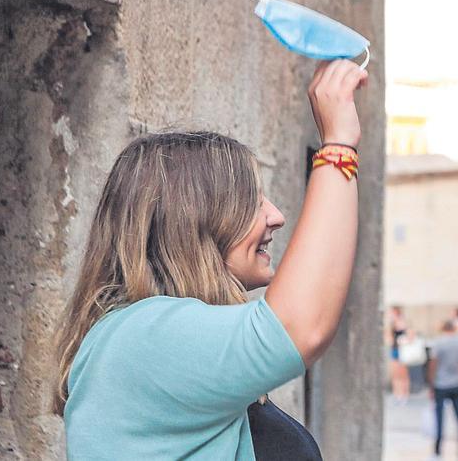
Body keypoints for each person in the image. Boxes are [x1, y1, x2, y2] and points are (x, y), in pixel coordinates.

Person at [55, 59, 369, 460]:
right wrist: (338, 145)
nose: (276, 215)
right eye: (252, 201)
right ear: (194, 221)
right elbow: (301, 327)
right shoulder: (142, 337)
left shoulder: (156, 338)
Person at [427, 319, 458, 458]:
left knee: (440, 418)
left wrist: (431, 384)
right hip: (456, 383)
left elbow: (433, 364)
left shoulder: (439, 343)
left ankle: (438, 450)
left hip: (441, 384)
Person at [389, 306, 413, 402]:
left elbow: (410, 336)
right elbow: (389, 337)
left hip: (403, 350)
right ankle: (397, 393)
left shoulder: (404, 323)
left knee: (403, 374)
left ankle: (405, 394)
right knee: (395, 374)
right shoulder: (392, 324)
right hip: (394, 349)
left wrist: (403, 341)